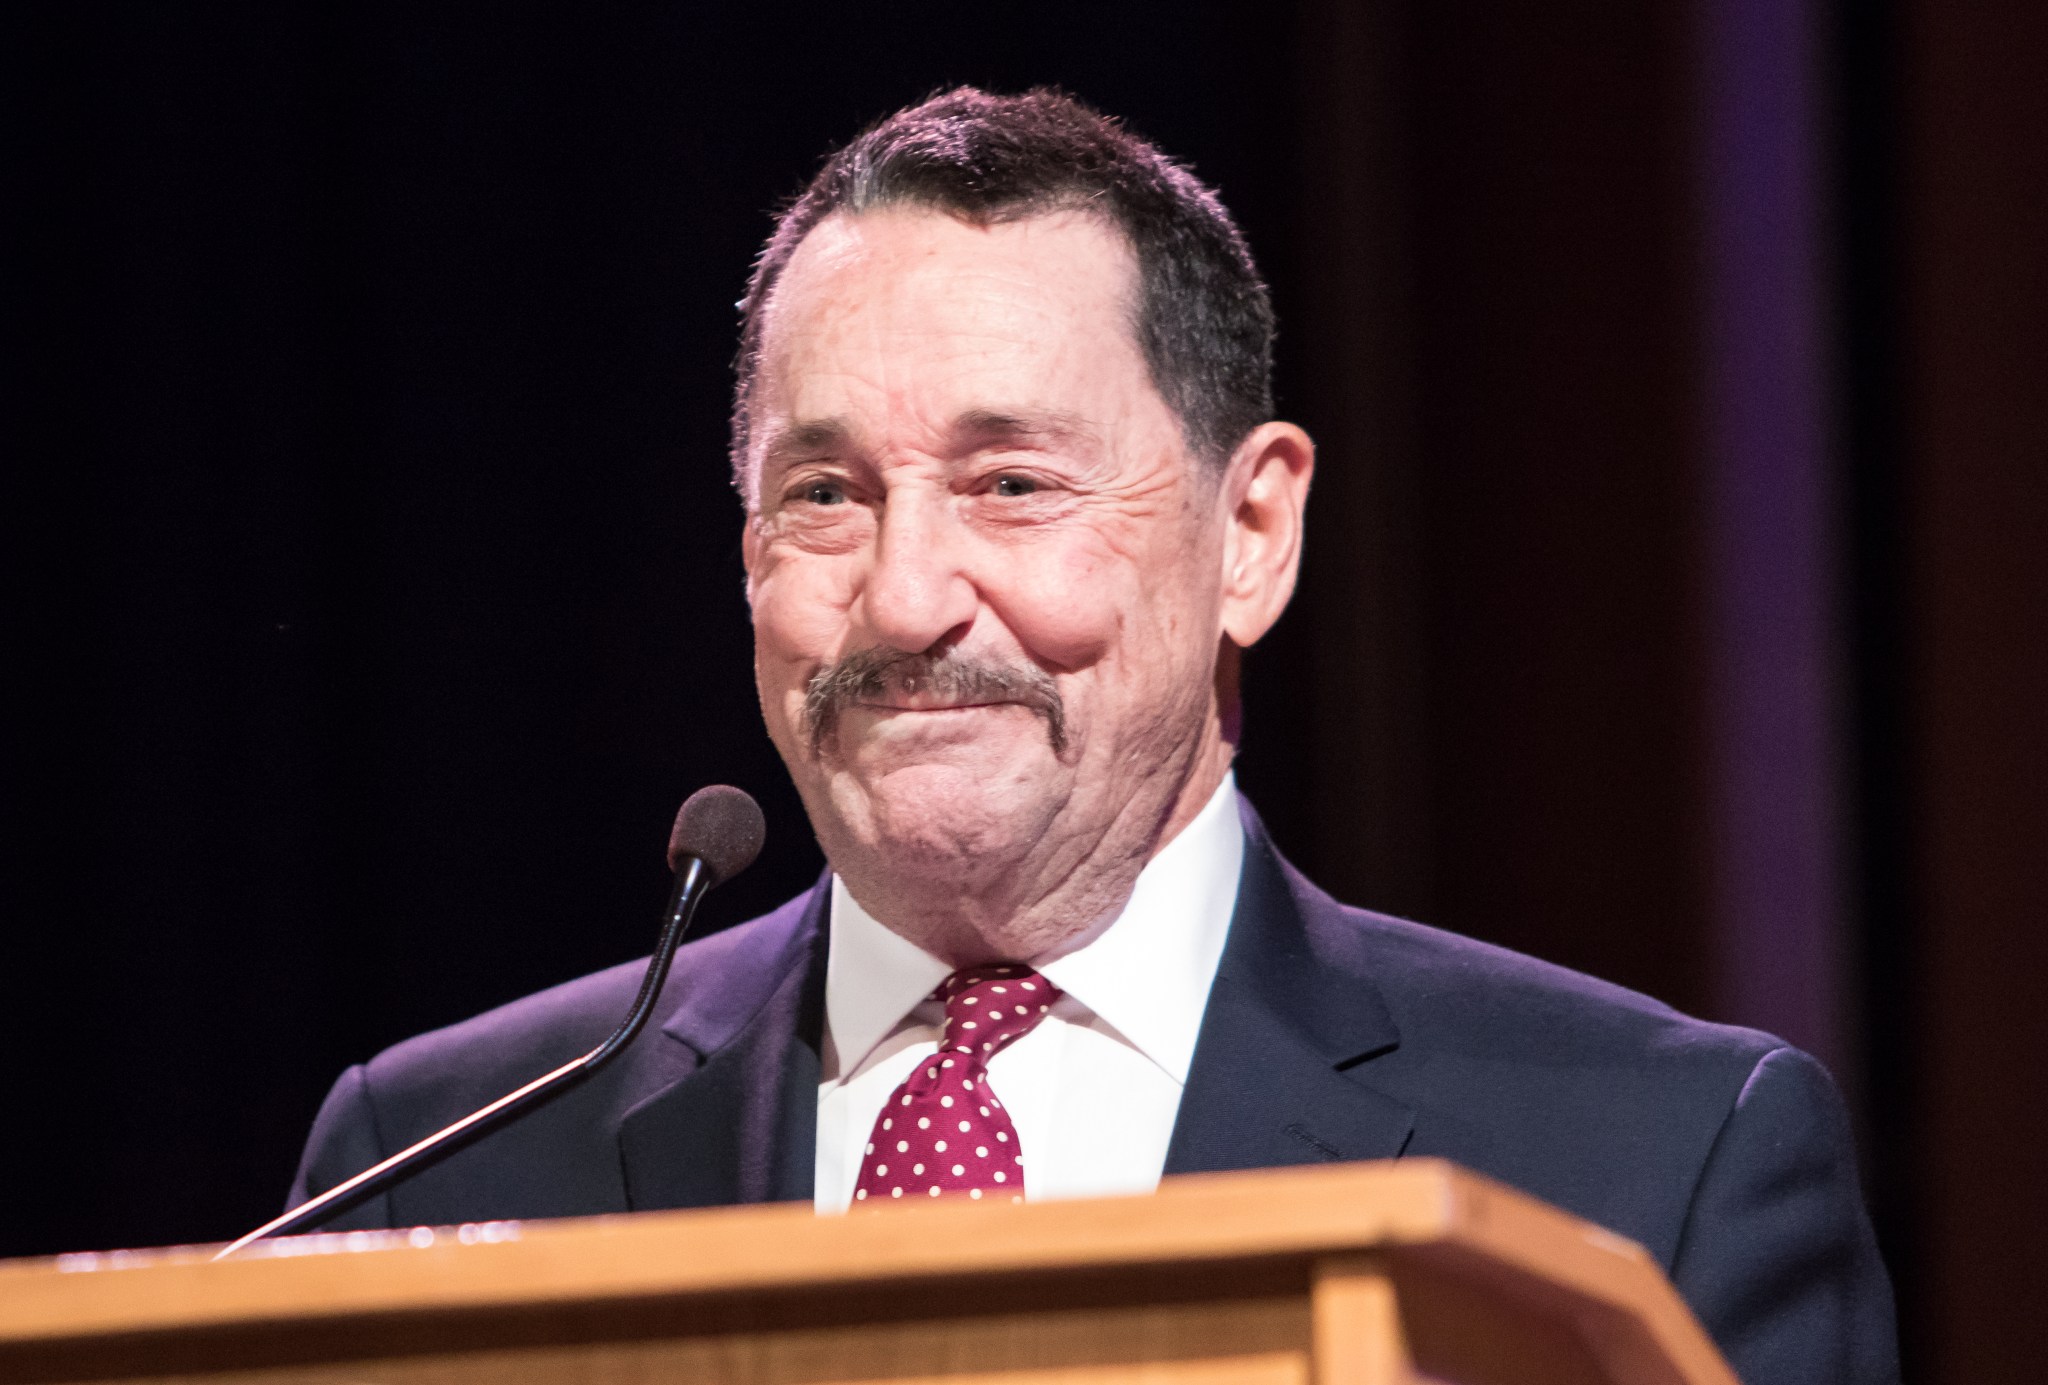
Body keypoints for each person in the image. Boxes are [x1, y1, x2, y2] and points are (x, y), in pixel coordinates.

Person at [290, 88, 1898, 1382]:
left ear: (1251, 533)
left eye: (1013, 484)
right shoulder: (433, 1163)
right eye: (826, 496)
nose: (907, 596)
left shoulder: (1649, 1169)